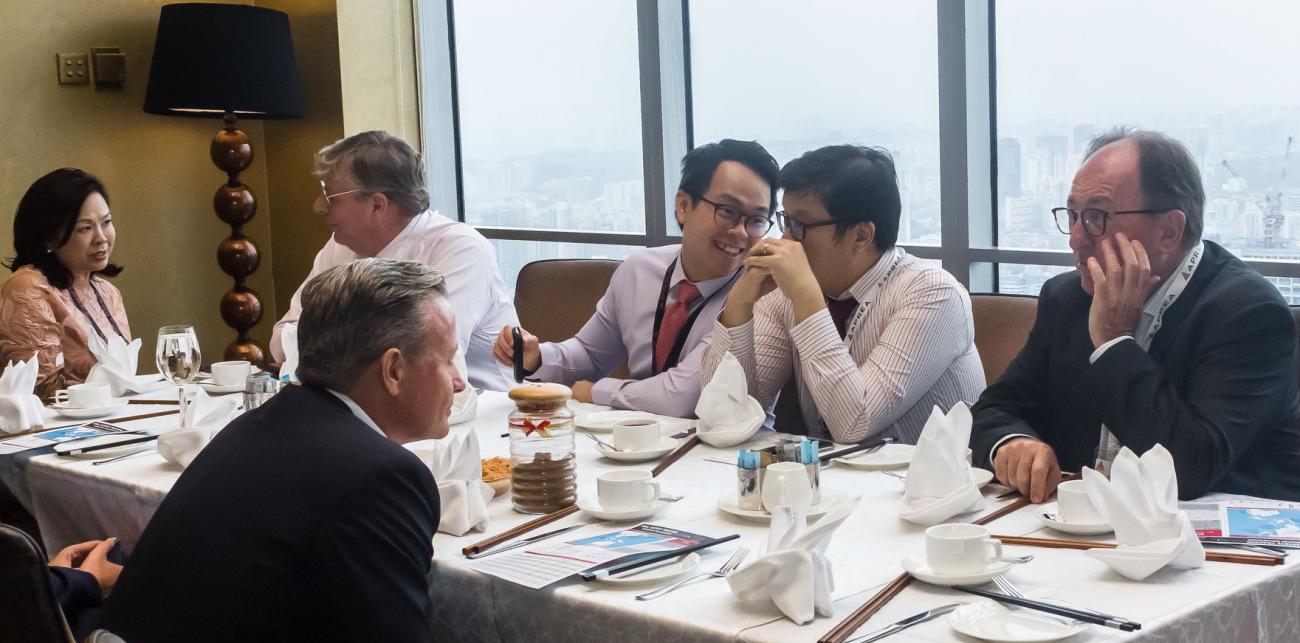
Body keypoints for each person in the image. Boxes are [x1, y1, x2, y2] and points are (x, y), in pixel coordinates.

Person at [100, 259, 676, 643]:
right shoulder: (377, 476)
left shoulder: (254, 427)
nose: (462, 381)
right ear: (393, 370)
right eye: (448, 359)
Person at [970, 128, 1300, 501]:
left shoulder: (1247, 314)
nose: (1076, 238)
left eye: (1095, 217)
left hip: (1217, 532)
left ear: (1169, 231)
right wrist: (1012, 442)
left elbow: (1189, 469)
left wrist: (1113, 342)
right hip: (1082, 523)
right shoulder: (1067, 299)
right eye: (1073, 216)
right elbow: (994, 408)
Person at [702, 145, 985, 443]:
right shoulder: (788, 294)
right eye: (786, 220)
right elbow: (723, 417)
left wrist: (807, 298)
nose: (785, 240)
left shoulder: (933, 293)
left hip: (930, 473)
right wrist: (740, 304)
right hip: (830, 471)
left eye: (799, 225)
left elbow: (855, 424)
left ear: (861, 235)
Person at [493, 139, 780, 417]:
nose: (740, 232)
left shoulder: (759, 296)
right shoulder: (639, 271)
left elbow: (683, 397)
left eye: (756, 220)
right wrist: (537, 358)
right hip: (642, 438)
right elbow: (590, 353)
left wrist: (597, 393)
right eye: (727, 212)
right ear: (683, 206)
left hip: (727, 445)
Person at [269, 130, 517, 390]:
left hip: (481, 406)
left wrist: (323, 344)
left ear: (377, 205)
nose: (318, 206)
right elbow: (282, 336)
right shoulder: (341, 245)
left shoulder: (460, 249)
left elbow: (425, 359)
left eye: (330, 197)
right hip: (363, 402)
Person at [0, 169, 130, 399]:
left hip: (115, 415)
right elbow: (42, 391)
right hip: (54, 421)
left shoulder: (108, 293)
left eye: (106, 222)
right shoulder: (28, 288)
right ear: (50, 237)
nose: (101, 238)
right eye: (85, 228)